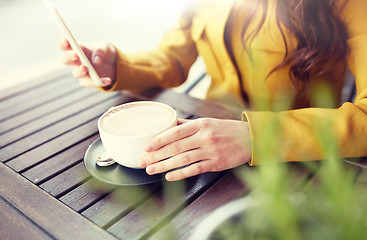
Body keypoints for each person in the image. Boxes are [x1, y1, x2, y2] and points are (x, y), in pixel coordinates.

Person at [59, 0, 367, 181]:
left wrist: (254, 137)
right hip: (204, 148)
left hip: (296, 167)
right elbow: (171, 60)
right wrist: (118, 67)